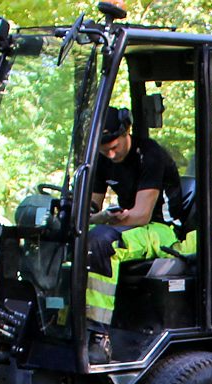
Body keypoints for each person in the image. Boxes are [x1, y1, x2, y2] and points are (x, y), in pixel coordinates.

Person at [85, 107, 183, 359]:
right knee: (77, 238)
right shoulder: (104, 160)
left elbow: (141, 214)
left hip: (163, 230)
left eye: (114, 146)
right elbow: (92, 207)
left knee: (102, 243)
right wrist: (93, 216)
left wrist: (106, 222)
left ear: (126, 131)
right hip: (130, 224)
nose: (111, 153)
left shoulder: (149, 155)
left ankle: (98, 336)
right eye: (104, 149)